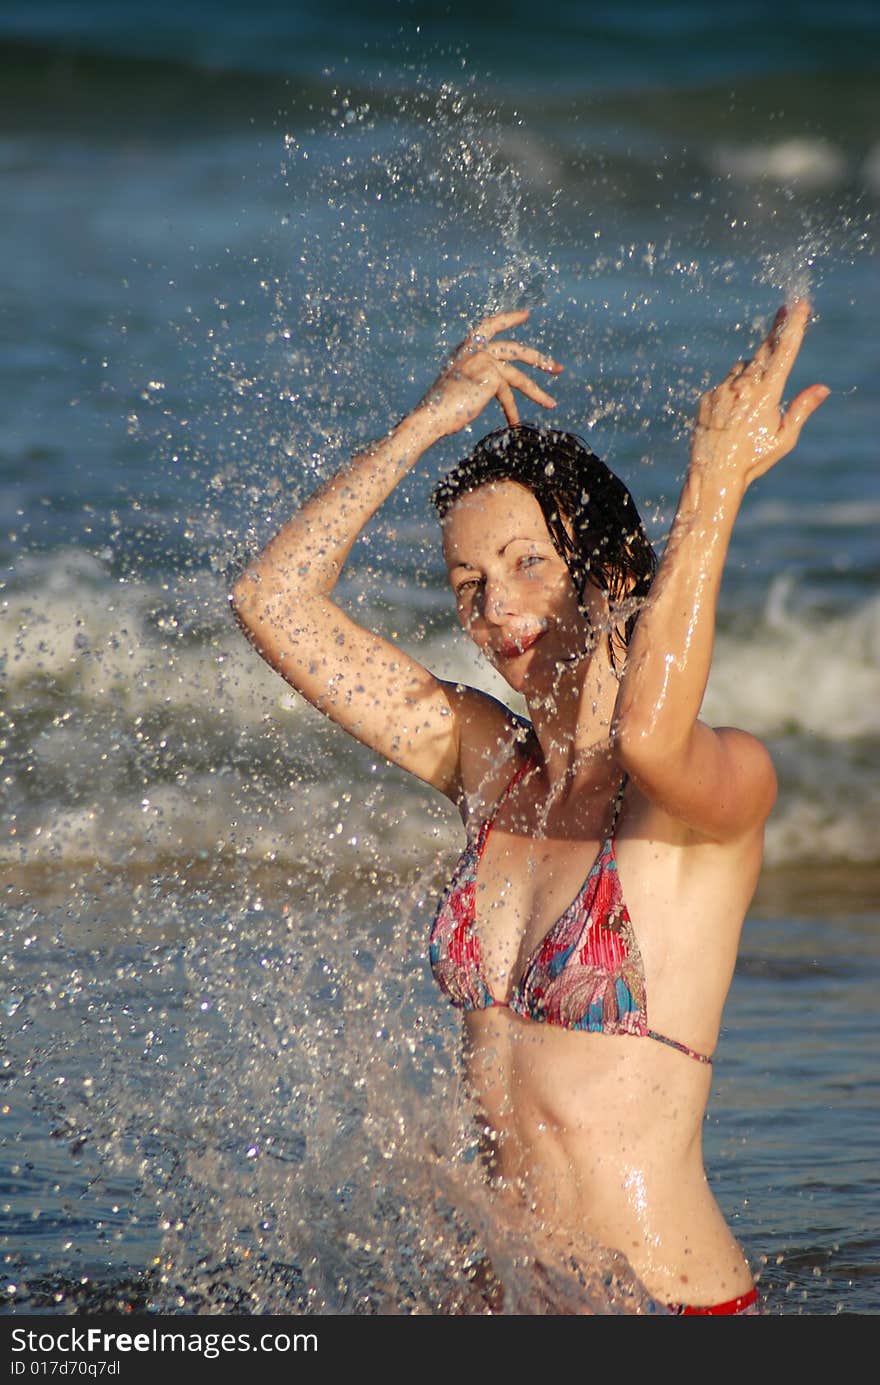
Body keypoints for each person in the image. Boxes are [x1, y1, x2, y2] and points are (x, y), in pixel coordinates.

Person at [230, 302, 828, 1314]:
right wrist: (428, 419)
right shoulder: (487, 764)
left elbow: (643, 730)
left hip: (663, 1307)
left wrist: (713, 484)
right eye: (468, 583)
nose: (496, 609)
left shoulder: (706, 792)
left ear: (611, 574)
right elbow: (269, 600)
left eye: (526, 565)